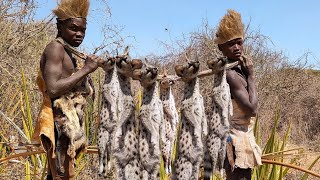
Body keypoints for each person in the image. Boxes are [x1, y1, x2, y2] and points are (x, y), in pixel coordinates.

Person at [32, 0, 104, 179]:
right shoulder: (55, 49)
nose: (79, 34)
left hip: (68, 122)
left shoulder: (68, 51)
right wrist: (86, 70)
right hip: (58, 122)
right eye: (74, 28)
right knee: (61, 174)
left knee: (61, 174)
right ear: (60, 26)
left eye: (83, 30)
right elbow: (54, 88)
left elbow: (69, 83)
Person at [215, 9, 262, 180]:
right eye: (230, 44)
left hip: (244, 136)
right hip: (235, 141)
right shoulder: (230, 74)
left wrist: (247, 72)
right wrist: (251, 75)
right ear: (221, 48)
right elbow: (251, 109)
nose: (236, 47)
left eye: (239, 42)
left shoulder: (238, 70)